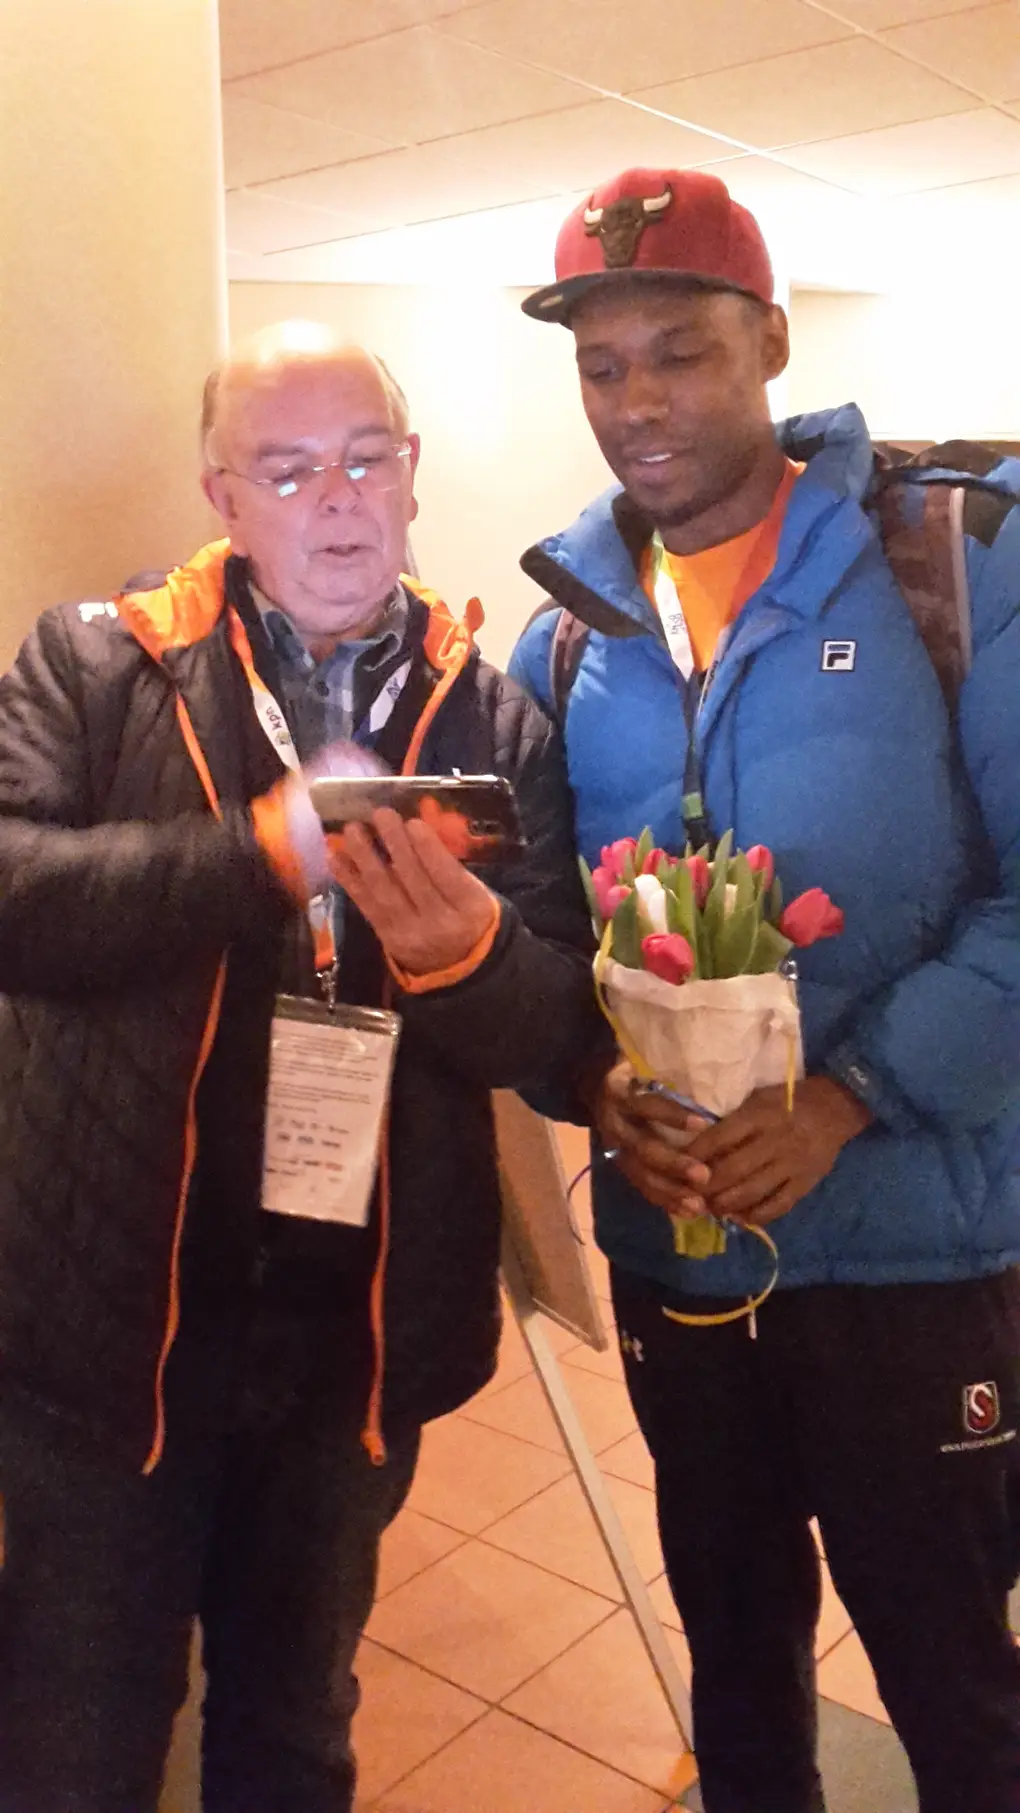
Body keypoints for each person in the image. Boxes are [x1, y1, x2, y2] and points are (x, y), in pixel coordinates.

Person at [0, 320, 598, 1813]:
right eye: (285, 471)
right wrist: (257, 855)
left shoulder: (496, 718)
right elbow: (14, 904)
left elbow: (552, 1043)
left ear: (412, 474)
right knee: (72, 1739)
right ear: (222, 497)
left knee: (294, 1735)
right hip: (116, 1319)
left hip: (356, 1338)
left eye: (364, 459)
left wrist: (467, 959)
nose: (335, 500)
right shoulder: (95, 659)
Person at [510, 167, 1020, 1813]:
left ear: (774, 344)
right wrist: (591, 1085)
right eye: (603, 366)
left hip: (913, 1254)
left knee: (959, 1691)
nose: (639, 403)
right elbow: (543, 933)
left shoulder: (957, 555)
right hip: (683, 1259)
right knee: (735, 1673)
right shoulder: (566, 638)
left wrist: (850, 1098)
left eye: (683, 352)